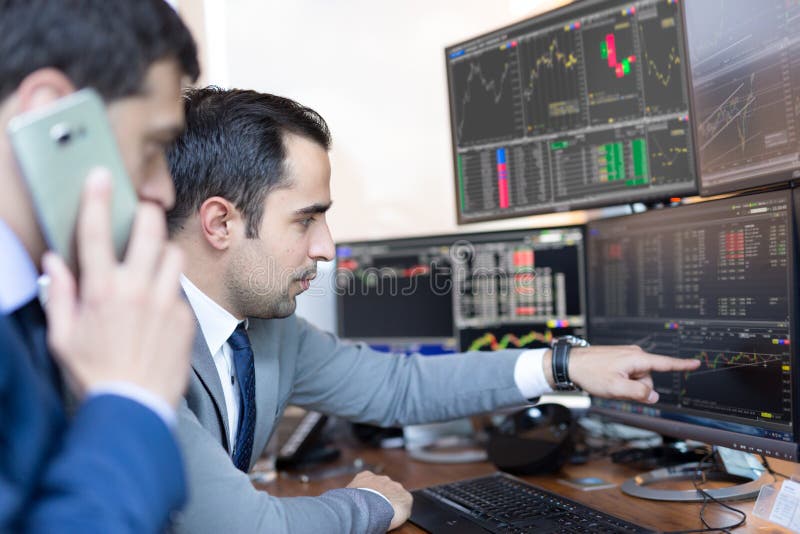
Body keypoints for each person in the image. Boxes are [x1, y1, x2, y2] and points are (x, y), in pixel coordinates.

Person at [165, 87, 701, 533]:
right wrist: (368, 503)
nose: (327, 248)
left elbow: (397, 386)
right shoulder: (135, 348)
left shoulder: (265, 331)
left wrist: (560, 366)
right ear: (220, 223)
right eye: (306, 220)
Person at [0, 1, 201, 531]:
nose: (163, 190)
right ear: (50, 118)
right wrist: (128, 401)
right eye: (154, 146)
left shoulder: (30, 311)